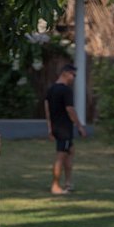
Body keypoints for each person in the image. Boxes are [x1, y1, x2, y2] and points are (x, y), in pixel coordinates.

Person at [44, 64, 87, 194]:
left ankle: (68, 183)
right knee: (61, 156)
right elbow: (70, 110)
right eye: (73, 75)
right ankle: (55, 186)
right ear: (65, 73)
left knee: (70, 152)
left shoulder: (51, 89)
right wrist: (79, 126)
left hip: (57, 127)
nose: (73, 78)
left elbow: (47, 110)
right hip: (64, 128)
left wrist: (50, 128)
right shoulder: (66, 90)